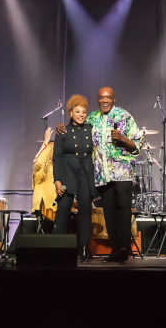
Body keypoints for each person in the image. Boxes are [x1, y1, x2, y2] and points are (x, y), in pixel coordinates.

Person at [57, 86, 143, 263]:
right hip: (102, 174)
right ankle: (115, 248)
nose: (105, 100)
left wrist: (123, 139)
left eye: (108, 98)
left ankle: (124, 248)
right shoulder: (93, 118)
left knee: (123, 210)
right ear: (98, 99)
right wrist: (61, 127)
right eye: (102, 98)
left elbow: (137, 144)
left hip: (122, 172)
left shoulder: (124, 115)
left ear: (114, 99)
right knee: (109, 212)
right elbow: (77, 127)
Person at [53, 94, 96, 261]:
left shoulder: (90, 129)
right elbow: (56, 157)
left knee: (85, 213)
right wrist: (57, 180)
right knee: (63, 211)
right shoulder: (63, 131)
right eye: (77, 111)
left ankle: (84, 249)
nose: (81, 115)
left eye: (84, 112)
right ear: (70, 113)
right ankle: (56, 249)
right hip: (67, 174)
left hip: (85, 174)